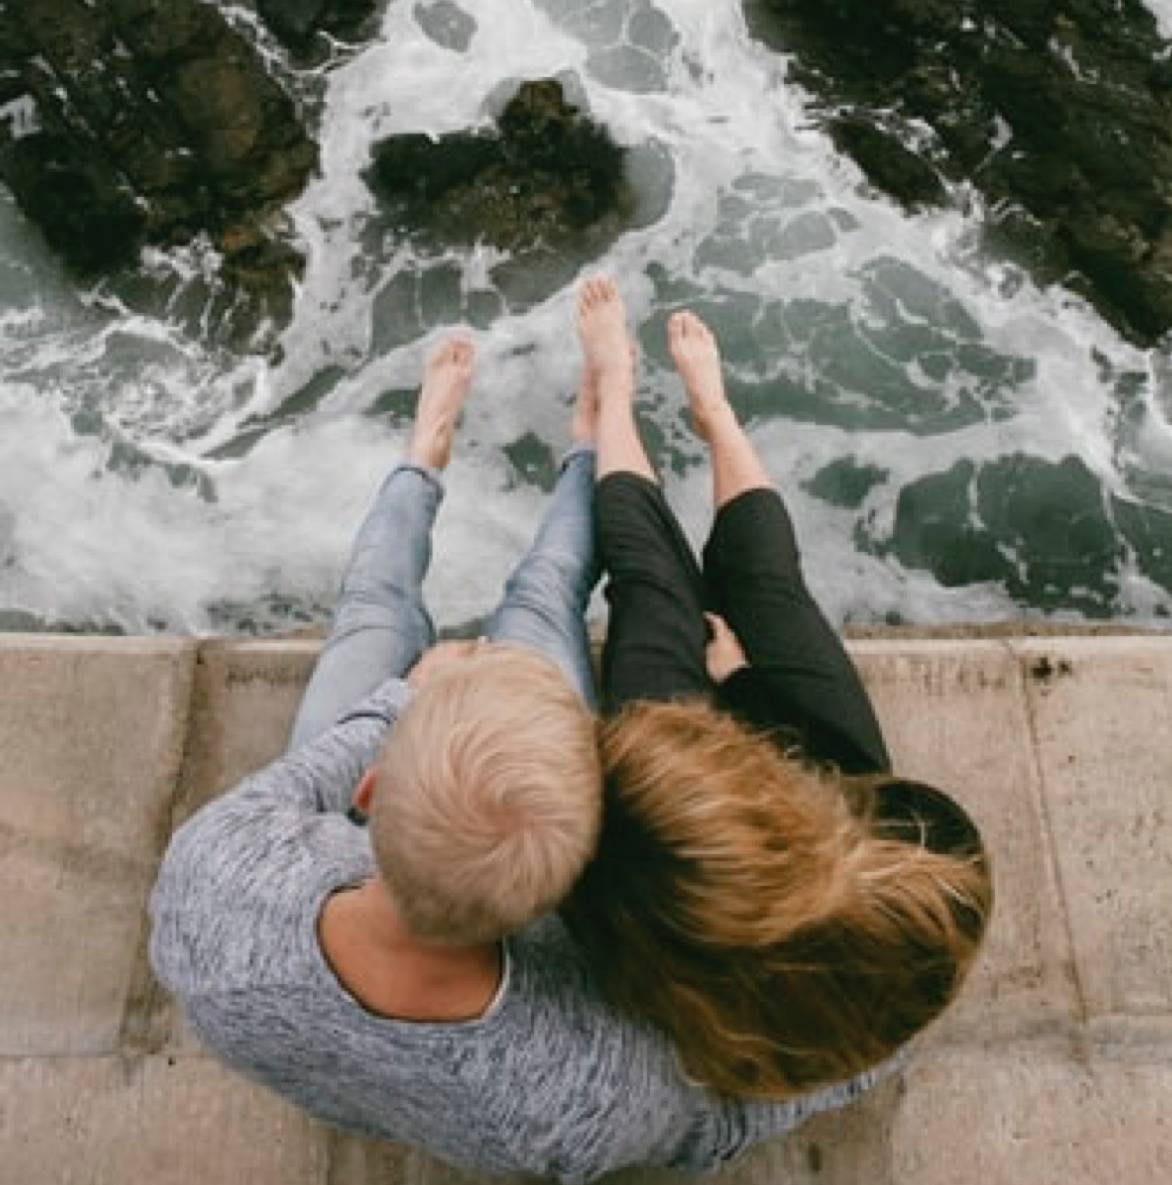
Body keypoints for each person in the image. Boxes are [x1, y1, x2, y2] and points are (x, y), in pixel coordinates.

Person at [149, 315, 902, 1184]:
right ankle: (585, 443)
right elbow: (726, 1115)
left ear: (368, 786)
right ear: (577, 885)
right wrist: (881, 1042)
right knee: (540, 603)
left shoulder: (212, 874)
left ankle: (431, 449)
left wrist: (407, 695)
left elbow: (292, 786)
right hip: (454, 872)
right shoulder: (589, 1081)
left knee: (373, 612)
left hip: (342, 883)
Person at [562, 278, 993, 1099]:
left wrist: (714, 701)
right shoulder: (925, 874)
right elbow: (835, 768)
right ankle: (714, 415)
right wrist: (746, 684)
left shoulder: (664, 917)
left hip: (698, 844)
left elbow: (604, 899)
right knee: (766, 581)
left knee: (653, 586)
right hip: (835, 773)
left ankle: (614, 392)